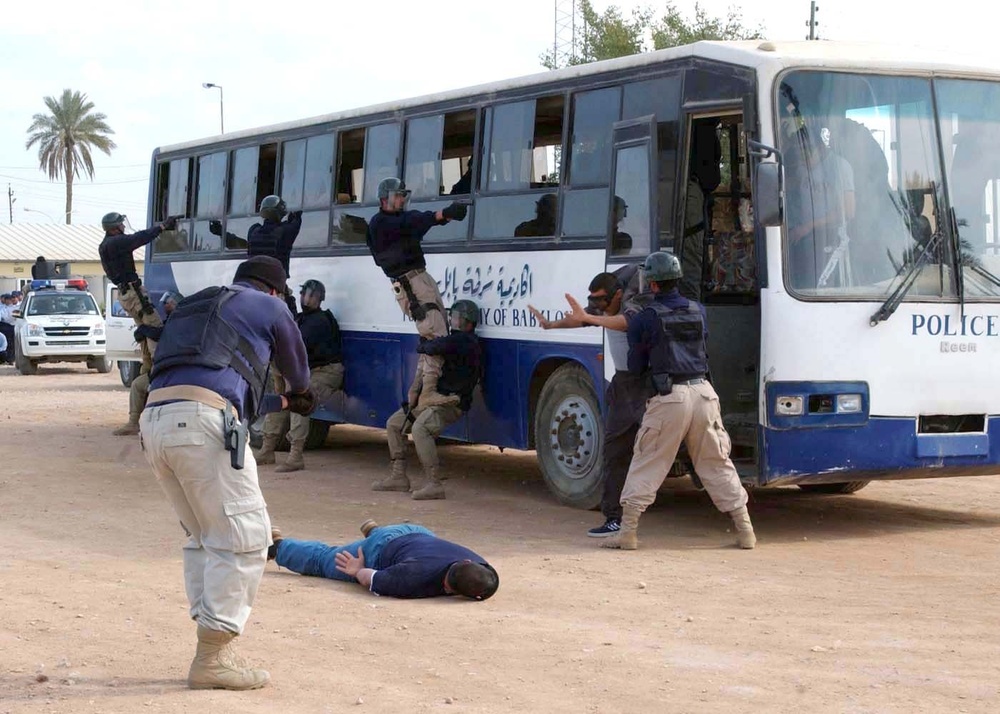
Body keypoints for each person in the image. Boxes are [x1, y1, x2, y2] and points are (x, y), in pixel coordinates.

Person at [139, 255, 315, 691]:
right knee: (245, 538)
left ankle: (212, 643)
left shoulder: (203, 306)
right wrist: (301, 394)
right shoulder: (271, 306)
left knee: (205, 535)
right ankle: (212, 657)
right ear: (275, 289)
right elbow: (298, 370)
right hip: (201, 424)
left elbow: (225, 391)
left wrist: (284, 405)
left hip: (158, 423)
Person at [585, 251, 756, 551]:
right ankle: (745, 531)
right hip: (704, 394)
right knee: (717, 463)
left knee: (647, 462)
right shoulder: (697, 309)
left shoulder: (646, 317)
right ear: (677, 279)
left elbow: (636, 364)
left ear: (650, 284)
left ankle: (628, 532)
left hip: (670, 398)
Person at [529, 268, 656, 537]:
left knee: (655, 450)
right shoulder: (605, 311)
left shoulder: (634, 306)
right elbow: (584, 320)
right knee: (615, 450)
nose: (598, 306)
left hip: (648, 385)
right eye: (593, 301)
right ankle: (615, 518)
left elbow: (625, 322)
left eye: (601, 300)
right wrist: (551, 325)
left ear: (618, 295)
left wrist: (591, 317)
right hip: (623, 386)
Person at [366, 177, 468, 410]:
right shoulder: (381, 223)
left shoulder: (398, 220)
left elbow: (415, 223)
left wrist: (447, 215)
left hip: (420, 278)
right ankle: (429, 393)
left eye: (403, 195)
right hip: (411, 283)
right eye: (397, 196)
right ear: (384, 200)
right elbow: (413, 222)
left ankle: (416, 395)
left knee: (437, 330)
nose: (401, 200)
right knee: (436, 335)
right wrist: (442, 214)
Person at [373, 299, 482, 500]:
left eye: (456, 318)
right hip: (431, 400)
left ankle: (434, 483)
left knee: (420, 430)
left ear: (467, 322)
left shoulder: (466, 342)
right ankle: (398, 476)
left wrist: (424, 345)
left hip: (450, 403)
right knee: (394, 425)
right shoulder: (456, 341)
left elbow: (432, 347)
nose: (452, 321)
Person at [269, 519, 499, 601]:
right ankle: (276, 547)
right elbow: (370, 578)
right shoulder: (411, 579)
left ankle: (375, 530)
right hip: (382, 547)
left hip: (417, 533)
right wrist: (358, 569)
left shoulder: (484, 569)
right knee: (325, 560)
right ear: (448, 587)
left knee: (407, 551)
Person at [256, 279, 344, 472]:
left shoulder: (319, 321)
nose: (308, 299)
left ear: (320, 299)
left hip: (324, 372)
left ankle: (295, 455)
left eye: (312, 296)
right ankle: (267, 449)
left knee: (298, 400)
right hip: (305, 370)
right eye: (306, 294)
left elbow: (295, 342)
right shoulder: (305, 318)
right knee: (279, 401)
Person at [98, 212, 175, 374]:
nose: (123, 226)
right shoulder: (116, 242)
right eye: (120, 224)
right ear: (113, 229)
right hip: (134, 294)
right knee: (154, 328)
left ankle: (147, 370)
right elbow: (140, 237)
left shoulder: (105, 244)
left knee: (146, 331)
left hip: (126, 294)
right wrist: (162, 227)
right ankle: (159, 369)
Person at [785, 121, 856, 289]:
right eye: (799, 152)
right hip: (805, 238)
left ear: (821, 147)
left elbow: (848, 210)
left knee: (823, 288)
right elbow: (792, 186)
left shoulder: (840, 167)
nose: (802, 157)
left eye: (806, 151)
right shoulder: (803, 168)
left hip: (831, 239)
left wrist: (808, 227)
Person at [113, 291, 183, 437]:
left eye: (168, 302)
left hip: (170, 370)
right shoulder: (176, 320)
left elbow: (162, 335)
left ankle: (134, 422)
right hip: (169, 368)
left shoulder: (178, 322)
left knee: (138, 385)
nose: (165, 305)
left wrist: (145, 330)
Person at [247, 195, 301, 313]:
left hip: (253, 287)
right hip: (275, 288)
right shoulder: (284, 231)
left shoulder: (253, 231)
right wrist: (296, 215)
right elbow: (296, 223)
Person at [0, 294, 15, 364]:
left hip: (12, 327)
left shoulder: (15, 308)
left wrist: (8, 318)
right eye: (6, 300)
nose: (8, 301)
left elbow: (14, 318)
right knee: (5, 342)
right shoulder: (2, 308)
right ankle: (6, 359)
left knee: (11, 343)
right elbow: (2, 317)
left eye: (9, 300)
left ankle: (11, 359)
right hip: (4, 327)